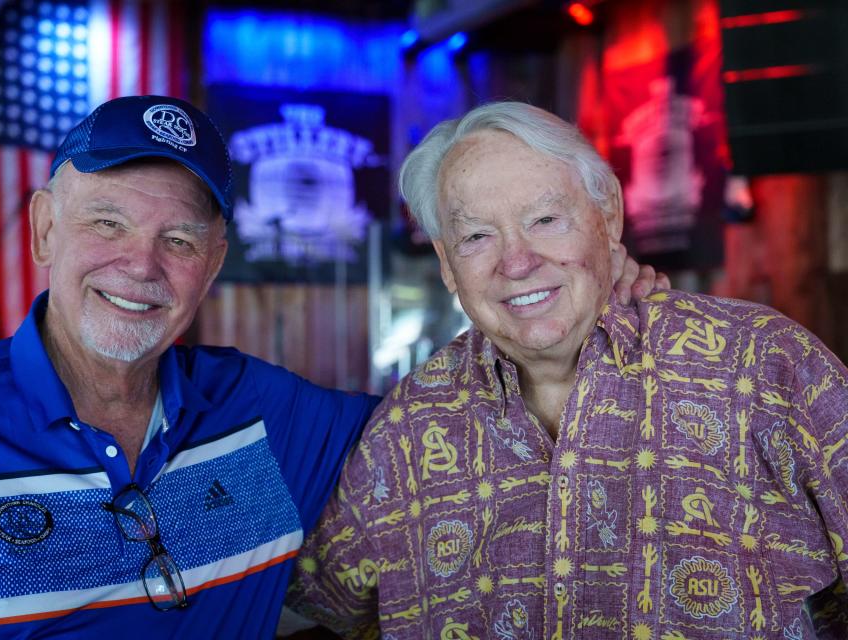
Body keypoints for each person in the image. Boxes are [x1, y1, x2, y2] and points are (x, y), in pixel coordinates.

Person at [0, 95, 659, 639]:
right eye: (107, 222)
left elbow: (457, 409)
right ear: (44, 229)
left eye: (181, 240)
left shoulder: (266, 417)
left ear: (215, 261)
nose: (141, 266)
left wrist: (587, 293)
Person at [287, 101, 848, 639]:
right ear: (447, 263)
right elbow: (311, 601)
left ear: (608, 219)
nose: (517, 261)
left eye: (546, 219)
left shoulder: (764, 365)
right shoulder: (410, 423)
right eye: (477, 236)